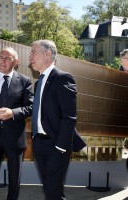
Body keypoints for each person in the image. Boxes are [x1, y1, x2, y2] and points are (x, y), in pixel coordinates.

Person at [29, 40, 86, 200]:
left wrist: (61, 147)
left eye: (34, 52)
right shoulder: (39, 82)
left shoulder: (63, 78)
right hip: (39, 144)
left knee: (53, 191)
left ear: (47, 54)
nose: (30, 56)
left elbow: (69, 117)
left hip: (56, 145)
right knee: (50, 189)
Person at [0, 47, 34, 200]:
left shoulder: (24, 81)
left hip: (15, 138)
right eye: (0, 57)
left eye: (7, 58)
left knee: (14, 179)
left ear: (15, 62)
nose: (2, 60)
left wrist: (13, 113)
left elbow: (31, 107)